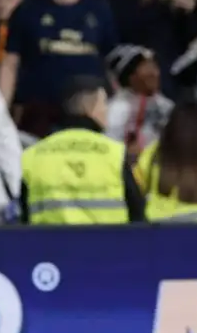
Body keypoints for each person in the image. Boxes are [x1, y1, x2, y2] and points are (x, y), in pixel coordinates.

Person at [20, 76, 146, 225]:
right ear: (90, 109)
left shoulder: (33, 155)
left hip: (48, 241)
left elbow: (22, 216)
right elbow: (138, 215)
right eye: (104, 103)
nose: (107, 110)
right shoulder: (114, 153)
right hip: (107, 240)